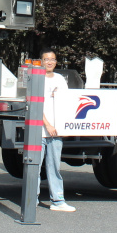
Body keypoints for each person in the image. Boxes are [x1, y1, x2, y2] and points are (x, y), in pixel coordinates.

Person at [38, 49, 76, 212]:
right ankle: (32, 198)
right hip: (39, 131)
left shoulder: (60, 80)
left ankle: (58, 200)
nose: (50, 62)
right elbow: (35, 105)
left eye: (52, 59)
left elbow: (66, 103)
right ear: (41, 61)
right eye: (46, 59)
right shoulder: (37, 79)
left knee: (54, 166)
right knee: (34, 166)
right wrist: (47, 124)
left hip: (56, 132)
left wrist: (64, 126)